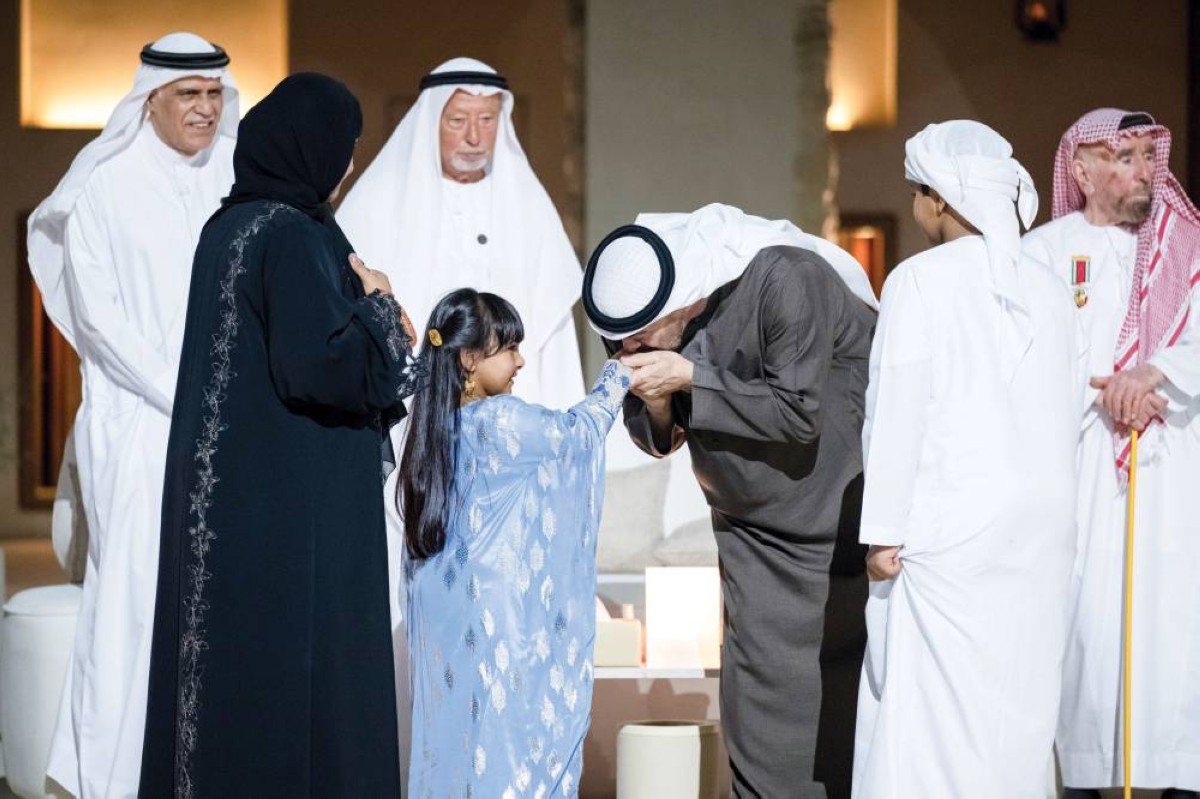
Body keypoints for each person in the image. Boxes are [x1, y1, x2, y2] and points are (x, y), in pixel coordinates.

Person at [139, 73, 423, 798]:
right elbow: (320, 367)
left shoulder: (228, 227)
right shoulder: (294, 235)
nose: (348, 165)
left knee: (231, 676)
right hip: (298, 508)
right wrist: (382, 307)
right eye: (343, 148)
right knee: (303, 684)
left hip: (232, 500)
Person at [582, 203, 879, 799]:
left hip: (829, 537)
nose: (631, 349)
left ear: (683, 303)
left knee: (833, 709)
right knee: (753, 705)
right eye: (620, 342)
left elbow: (797, 413)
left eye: (640, 337)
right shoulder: (653, 332)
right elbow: (657, 438)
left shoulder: (786, 279)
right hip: (747, 537)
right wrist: (658, 398)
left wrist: (688, 378)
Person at [25, 32, 237, 798]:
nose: (205, 109)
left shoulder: (235, 175)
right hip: (136, 424)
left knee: (220, 596)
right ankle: (106, 776)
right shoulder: (103, 183)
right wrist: (186, 394)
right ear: (151, 99)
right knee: (131, 599)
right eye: (189, 95)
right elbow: (102, 322)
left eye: (214, 94)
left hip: (227, 425)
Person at [851, 120, 1085, 798]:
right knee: (1015, 716)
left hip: (946, 534)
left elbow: (897, 408)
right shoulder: (1050, 288)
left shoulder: (917, 280)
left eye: (915, 192)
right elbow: (1067, 411)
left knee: (930, 727)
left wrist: (882, 532)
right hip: (1039, 536)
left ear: (939, 198)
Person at [1023, 109, 1200, 799]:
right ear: (1082, 170)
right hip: (1083, 471)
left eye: (1147, 156)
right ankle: (1085, 779)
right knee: (1088, 637)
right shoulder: (1043, 253)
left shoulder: (1186, 247)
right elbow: (1025, 361)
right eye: (1123, 157)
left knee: (1171, 637)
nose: (1142, 171)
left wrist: (1155, 377)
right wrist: (1109, 393)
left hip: (1172, 472)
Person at [402, 289, 630, 797]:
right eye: (509, 348)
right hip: (495, 623)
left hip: (450, 622)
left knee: (462, 748)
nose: (520, 361)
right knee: (507, 750)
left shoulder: (432, 431)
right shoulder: (501, 421)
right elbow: (578, 433)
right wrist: (619, 372)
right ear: (469, 359)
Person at [337, 57, 583, 409]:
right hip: (413, 401)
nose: (474, 137)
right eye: (457, 121)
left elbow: (552, 327)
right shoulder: (378, 200)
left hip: (513, 404)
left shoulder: (529, 204)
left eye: (486, 120)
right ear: (431, 122)